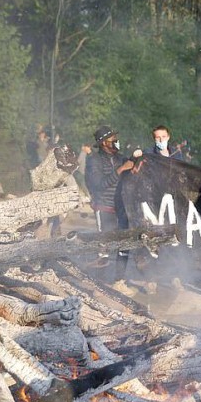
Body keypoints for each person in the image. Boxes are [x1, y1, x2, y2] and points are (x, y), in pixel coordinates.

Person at [85, 125, 141, 296]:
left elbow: (129, 175)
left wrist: (133, 165)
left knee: (124, 244)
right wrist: (121, 170)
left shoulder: (120, 158)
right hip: (104, 206)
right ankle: (98, 286)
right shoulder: (94, 160)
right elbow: (98, 185)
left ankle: (119, 281)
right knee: (104, 247)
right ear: (103, 143)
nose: (117, 142)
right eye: (113, 140)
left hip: (122, 207)